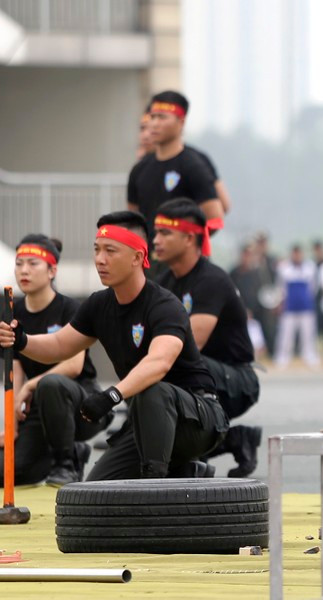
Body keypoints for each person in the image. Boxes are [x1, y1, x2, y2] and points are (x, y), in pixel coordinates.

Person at [0, 211, 229, 479]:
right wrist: (22, 340)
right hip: (145, 422)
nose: (100, 259)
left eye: (110, 251)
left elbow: (159, 363)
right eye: (96, 250)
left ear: (137, 257)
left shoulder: (164, 305)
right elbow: (60, 345)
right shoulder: (99, 304)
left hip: (197, 419)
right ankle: (185, 471)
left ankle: (154, 486)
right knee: (97, 492)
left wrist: (111, 395)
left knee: (151, 390)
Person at [153, 199, 262, 477]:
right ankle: (233, 440)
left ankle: (196, 451)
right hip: (200, 372)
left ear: (190, 238)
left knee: (169, 363)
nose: (156, 241)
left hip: (235, 379)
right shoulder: (165, 282)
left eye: (165, 233)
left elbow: (189, 346)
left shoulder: (211, 280)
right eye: (156, 233)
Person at [0, 235, 108, 487]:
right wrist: (11, 425)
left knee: (51, 384)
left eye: (33, 264)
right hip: (38, 407)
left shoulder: (70, 308)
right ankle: (50, 456)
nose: (24, 270)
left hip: (81, 402)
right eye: (19, 263)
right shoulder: (12, 311)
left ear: (52, 271)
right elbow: (13, 371)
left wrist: (29, 386)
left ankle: (67, 462)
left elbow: (73, 366)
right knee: (9, 472)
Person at [127, 91, 225, 234]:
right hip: (149, 255)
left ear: (181, 122)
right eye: (153, 117)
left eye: (162, 117)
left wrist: (189, 245)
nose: (154, 124)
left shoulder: (193, 165)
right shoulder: (139, 169)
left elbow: (215, 218)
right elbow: (133, 222)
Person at [274, 244, 319, 368]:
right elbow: (280, 287)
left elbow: (314, 287)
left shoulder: (310, 267)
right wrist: (281, 303)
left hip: (306, 306)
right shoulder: (284, 268)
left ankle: (309, 356)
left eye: (299, 253)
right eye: (295, 253)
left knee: (308, 334)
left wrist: (307, 299)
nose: (297, 256)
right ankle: (283, 357)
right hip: (289, 306)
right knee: (286, 334)